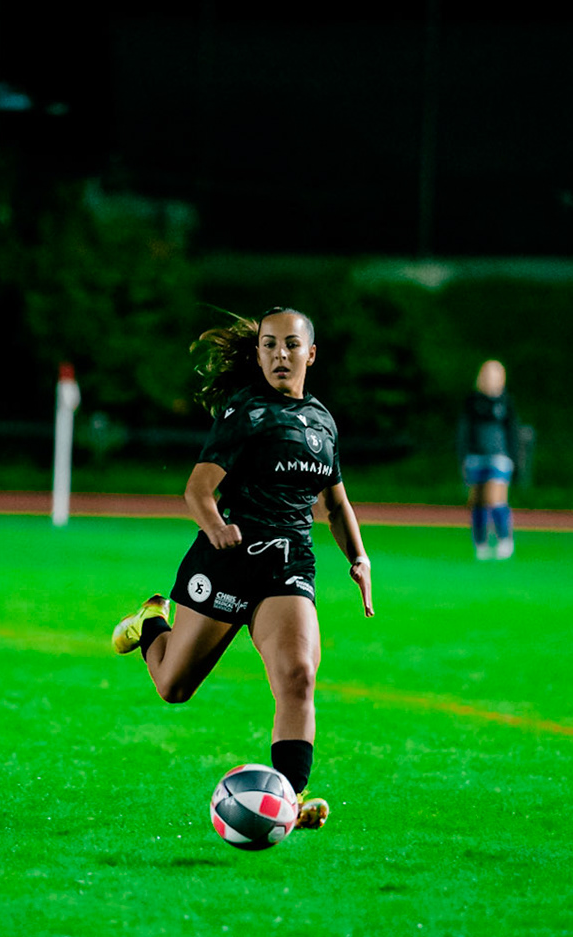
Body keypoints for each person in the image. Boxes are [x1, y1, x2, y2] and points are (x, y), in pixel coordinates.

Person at [109, 307, 374, 832]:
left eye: (291, 345)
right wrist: (215, 526)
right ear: (257, 354)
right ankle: (151, 622)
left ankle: (290, 799)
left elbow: (335, 503)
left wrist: (359, 558)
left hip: (288, 566)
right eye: (269, 344)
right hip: (227, 562)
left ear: (310, 354)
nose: (280, 354)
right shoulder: (244, 411)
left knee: (298, 675)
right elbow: (198, 489)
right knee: (173, 687)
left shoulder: (323, 421)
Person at [458, 359, 521, 560]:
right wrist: (463, 456)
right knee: (477, 501)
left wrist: (515, 459)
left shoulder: (506, 401)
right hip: (476, 456)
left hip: (499, 456)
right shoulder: (473, 401)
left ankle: (504, 539)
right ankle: (480, 542)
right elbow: (464, 430)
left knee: (495, 498)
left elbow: (513, 431)